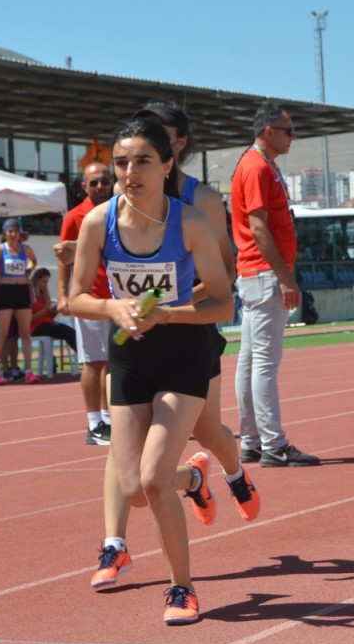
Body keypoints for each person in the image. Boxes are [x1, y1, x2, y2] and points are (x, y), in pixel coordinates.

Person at [84, 102, 264, 595]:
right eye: (123, 160)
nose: (129, 169)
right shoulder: (102, 220)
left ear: (173, 152)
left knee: (205, 435)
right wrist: (120, 310)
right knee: (136, 479)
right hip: (133, 345)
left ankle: (229, 476)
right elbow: (75, 294)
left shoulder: (199, 206)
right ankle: (133, 527)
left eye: (146, 153)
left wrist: (168, 305)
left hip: (189, 336)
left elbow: (224, 281)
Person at [230, 102, 320, 467]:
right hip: (264, 274)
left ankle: (253, 441)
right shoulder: (255, 167)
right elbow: (258, 226)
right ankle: (273, 443)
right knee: (263, 363)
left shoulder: (260, 165)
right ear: (269, 131)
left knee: (250, 361)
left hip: (257, 274)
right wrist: (285, 278)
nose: (292, 137)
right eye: (288, 130)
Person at [55, 161, 115, 444]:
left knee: (113, 361)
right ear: (84, 187)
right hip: (89, 297)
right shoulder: (75, 217)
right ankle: (94, 423)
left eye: (104, 181)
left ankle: (109, 419)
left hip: (118, 297)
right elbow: (63, 260)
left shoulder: (118, 208)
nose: (100, 186)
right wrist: (63, 295)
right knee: (93, 362)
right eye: (94, 183)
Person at [0, 218, 38, 385]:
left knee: (25, 334)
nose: (12, 234)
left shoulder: (26, 249)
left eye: (15, 231)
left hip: (22, 291)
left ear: (19, 233)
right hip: (6, 292)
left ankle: (29, 371)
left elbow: (34, 260)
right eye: (9, 231)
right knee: (3, 334)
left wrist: (29, 270)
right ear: (5, 234)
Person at [29, 267, 77, 354]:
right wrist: (44, 310)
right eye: (44, 281)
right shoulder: (30, 295)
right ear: (37, 280)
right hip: (36, 327)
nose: (46, 284)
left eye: (47, 282)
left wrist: (55, 311)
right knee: (67, 332)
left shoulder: (43, 294)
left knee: (71, 332)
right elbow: (29, 319)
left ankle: (84, 356)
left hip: (46, 323)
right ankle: (86, 358)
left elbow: (47, 315)